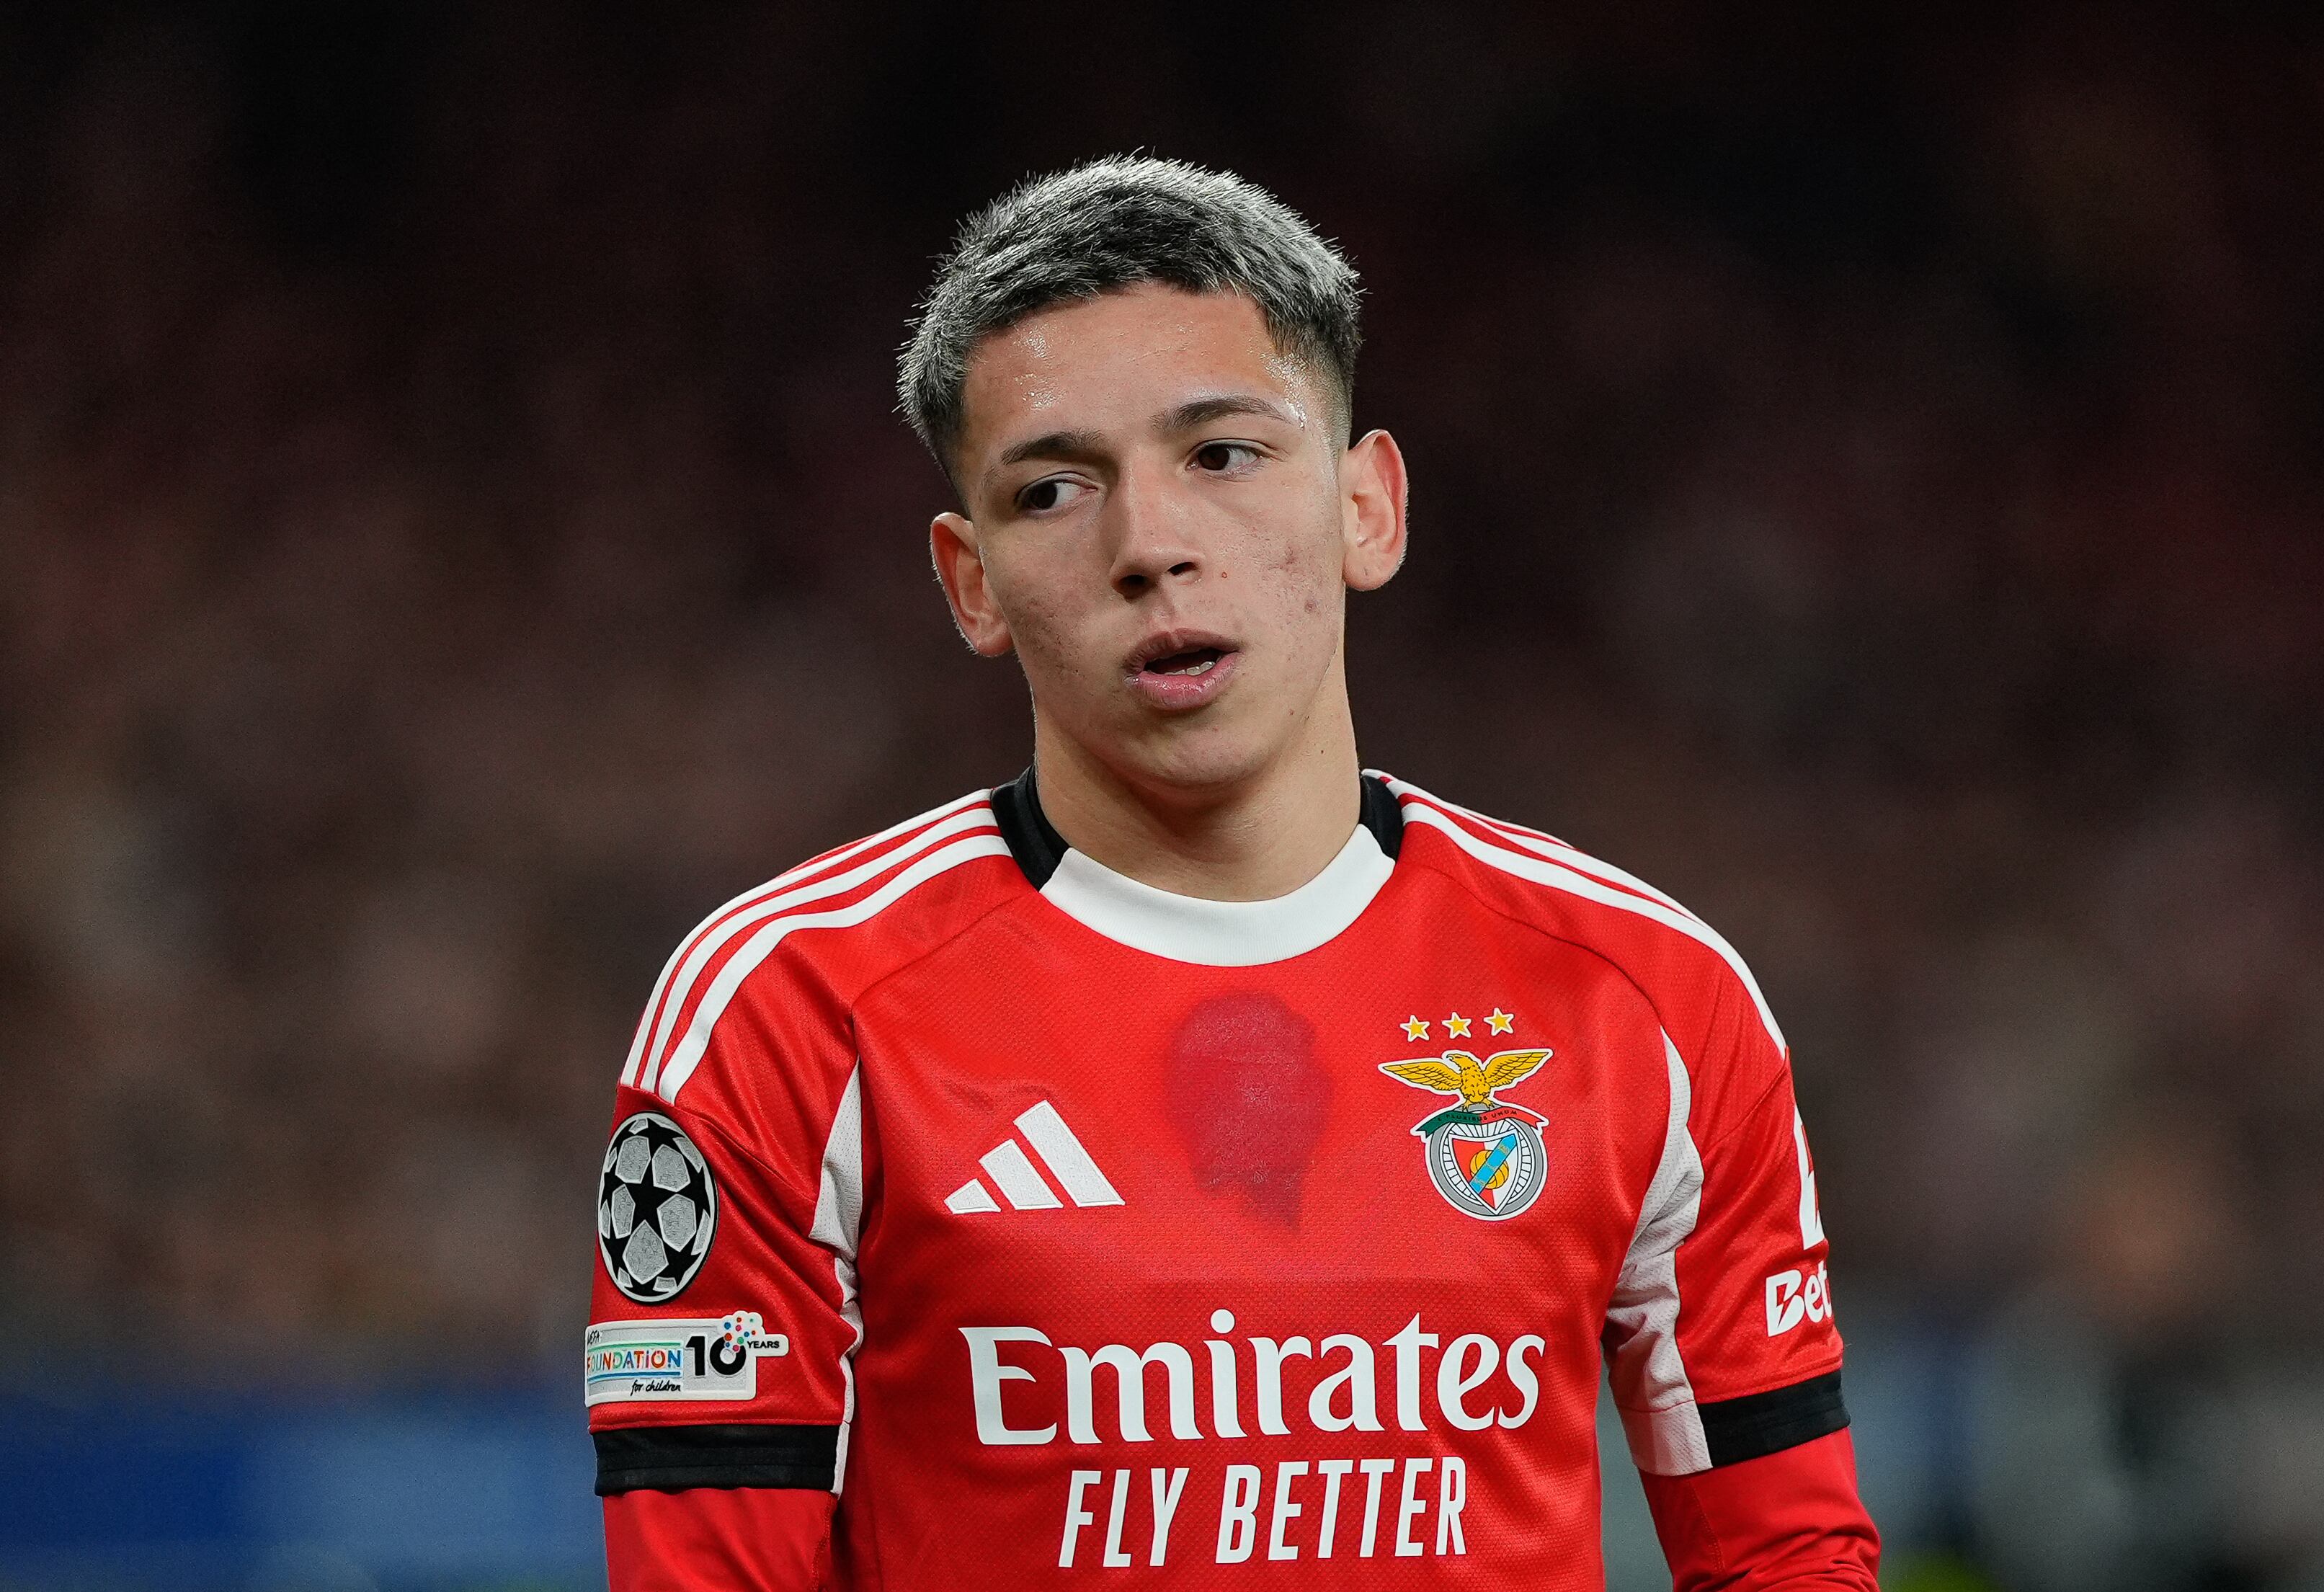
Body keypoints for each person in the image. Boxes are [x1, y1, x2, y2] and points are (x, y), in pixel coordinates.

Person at [586, 154, 1881, 1591]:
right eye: (1054, 489)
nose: (1151, 546)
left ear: (1365, 508)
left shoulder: (1644, 998)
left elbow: (1786, 1557)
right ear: (969, 582)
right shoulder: (783, 1011)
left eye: (1220, 454)